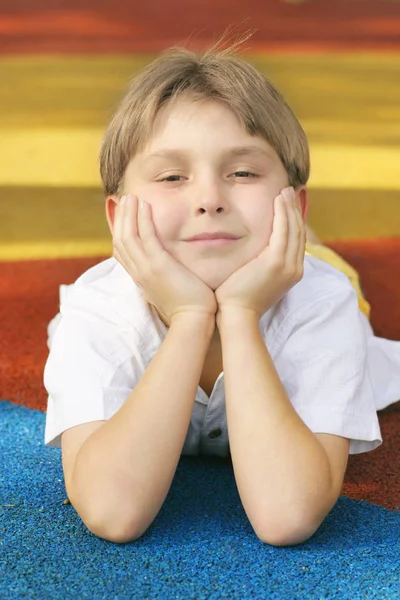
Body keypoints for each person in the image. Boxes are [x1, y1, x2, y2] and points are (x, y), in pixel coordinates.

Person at [43, 43, 400, 547]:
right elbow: (111, 511)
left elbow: (288, 516)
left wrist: (239, 313)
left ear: (295, 205)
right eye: (172, 177)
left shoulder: (323, 302)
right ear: (117, 218)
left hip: (309, 276)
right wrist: (191, 316)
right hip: (245, 249)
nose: (209, 198)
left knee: (336, 275)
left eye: (243, 173)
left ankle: (306, 241)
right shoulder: (95, 310)